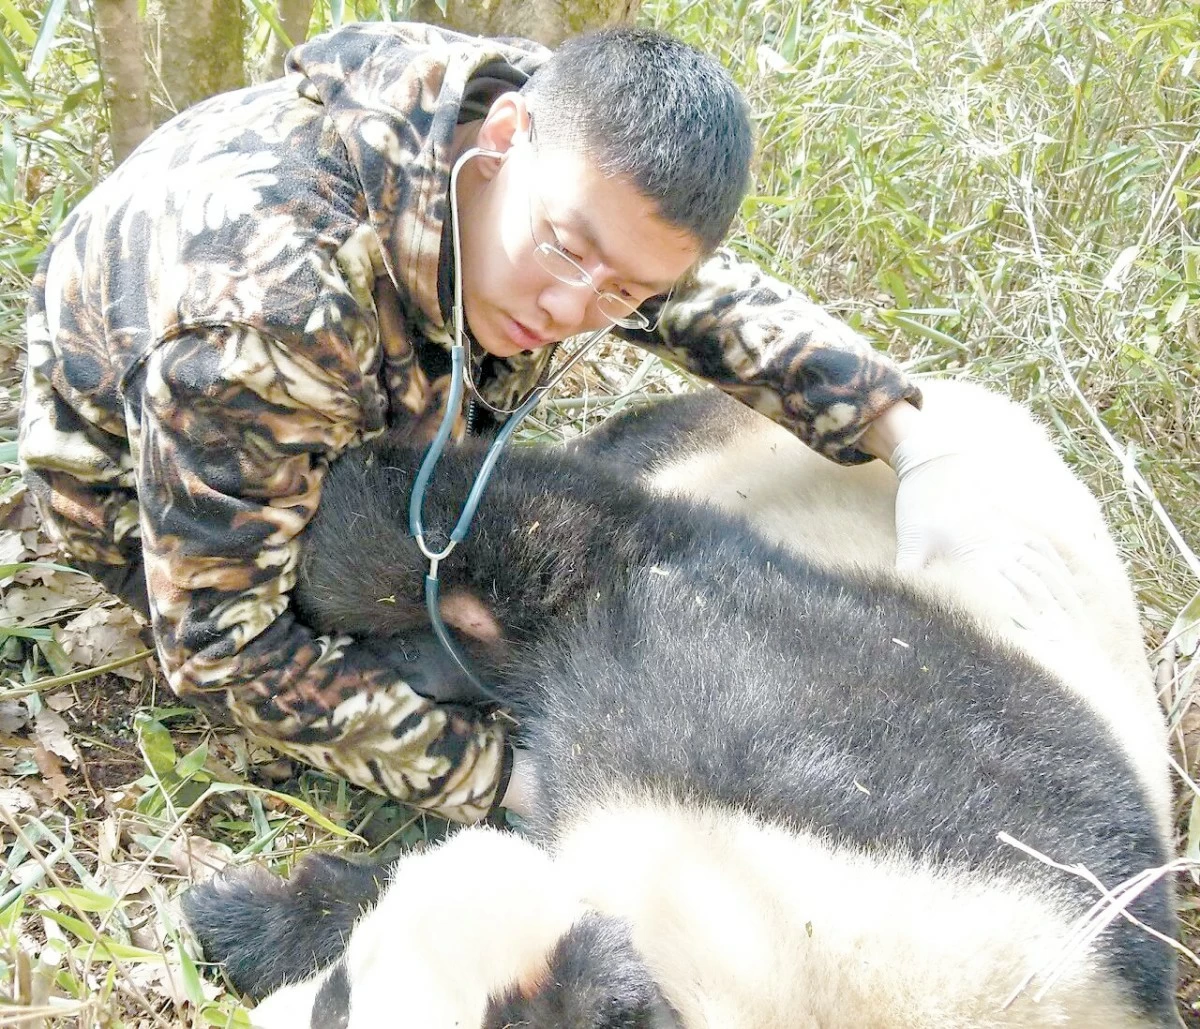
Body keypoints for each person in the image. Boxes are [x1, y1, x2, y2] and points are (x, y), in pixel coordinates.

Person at [19, 22, 1020, 822]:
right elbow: (223, 649)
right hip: (144, 468)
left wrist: (908, 432)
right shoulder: (271, 303)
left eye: (620, 289)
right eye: (563, 253)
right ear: (502, 144)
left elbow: (698, 293)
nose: (571, 305)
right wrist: (509, 783)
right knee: (373, 589)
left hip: (327, 385)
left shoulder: (562, 149)